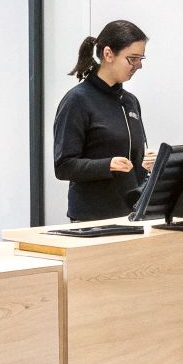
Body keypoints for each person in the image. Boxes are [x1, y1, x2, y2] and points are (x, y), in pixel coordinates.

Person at [53, 19, 154, 221]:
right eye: (132, 58)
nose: (139, 65)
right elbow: (64, 166)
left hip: (130, 217)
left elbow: (132, 163)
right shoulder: (77, 101)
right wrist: (107, 165)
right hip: (92, 220)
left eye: (141, 59)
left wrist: (149, 163)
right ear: (108, 54)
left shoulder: (130, 102)